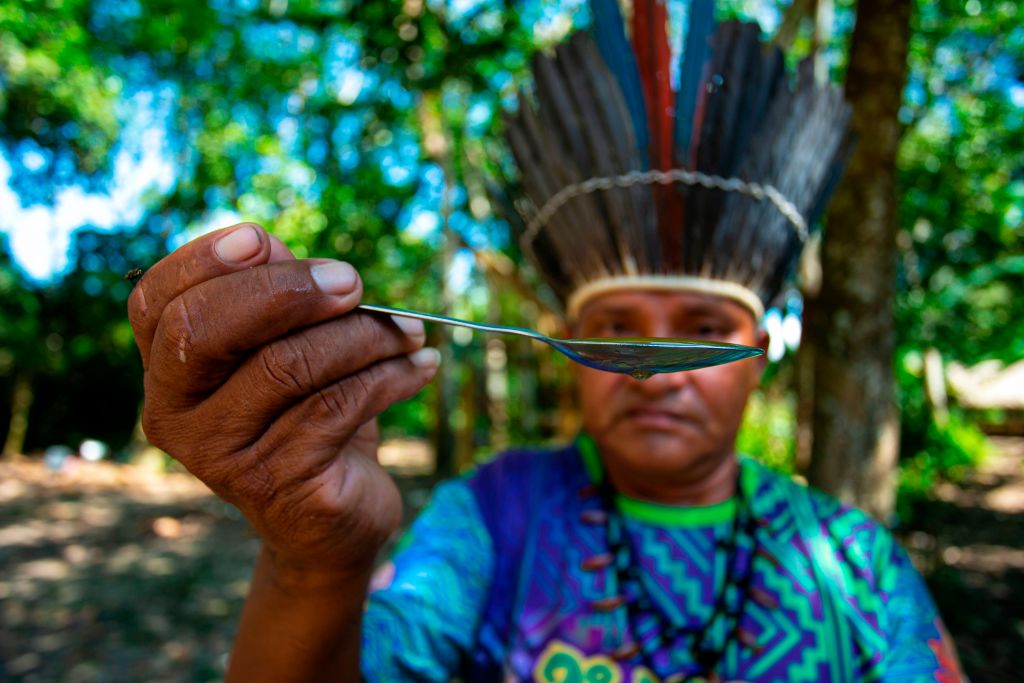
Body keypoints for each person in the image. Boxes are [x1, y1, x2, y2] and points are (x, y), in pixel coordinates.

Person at [127, 1, 966, 681]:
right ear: (569, 347)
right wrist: (313, 562)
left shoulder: (854, 566)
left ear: (758, 357)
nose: (656, 374)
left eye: (705, 335)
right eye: (615, 332)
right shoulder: (492, 518)